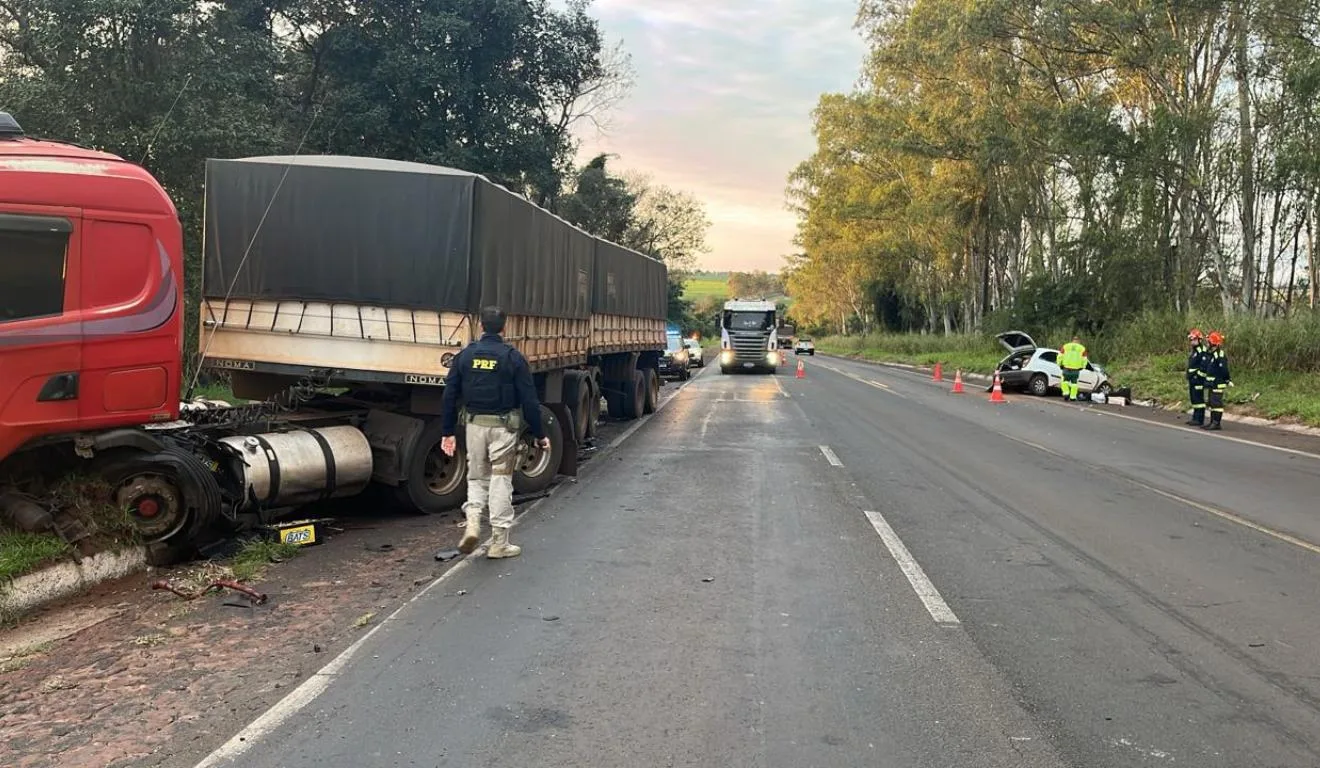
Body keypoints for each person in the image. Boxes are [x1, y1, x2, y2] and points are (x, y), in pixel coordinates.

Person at [440, 306, 550, 559]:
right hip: (503, 428)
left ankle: (473, 522)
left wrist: (448, 431)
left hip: (474, 426)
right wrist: (539, 434)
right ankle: (499, 542)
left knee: (476, 477)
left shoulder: (465, 356)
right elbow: (530, 401)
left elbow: (449, 395)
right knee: (501, 479)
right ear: (504, 328)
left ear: (480, 327)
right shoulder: (513, 357)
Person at [1202, 331, 1232, 431]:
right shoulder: (1213, 354)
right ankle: (1212, 421)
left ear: (1213, 343)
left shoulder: (1220, 355)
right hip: (1212, 384)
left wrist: (1227, 380)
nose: (1207, 344)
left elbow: (1224, 370)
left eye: (1209, 342)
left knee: (1216, 404)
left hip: (1218, 384)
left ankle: (1216, 423)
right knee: (1211, 403)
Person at [1185, 328, 1210, 426]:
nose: (1192, 342)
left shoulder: (1202, 351)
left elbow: (1204, 366)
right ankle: (1195, 418)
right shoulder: (1195, 351)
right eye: (1191, 340)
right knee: (1194, 399)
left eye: (1194, 340)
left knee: (1199, 399)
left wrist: (1198, 376)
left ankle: (1199, 419)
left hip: (1198, 380)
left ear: (1199, 340)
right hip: (1192, 379)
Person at [1058, 335, 1088, 401]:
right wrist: (1083, 366)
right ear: (1079, 341)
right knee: (1074, 383)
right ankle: (1072, 397)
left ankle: (1066, 393)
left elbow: (1060, 356)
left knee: (1064, 381)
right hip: (1076, 369)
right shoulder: (1082, 348)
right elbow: (1085, 359)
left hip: (1066, 368)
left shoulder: (1066, 346)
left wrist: (1060, 364)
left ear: (1072, 340)